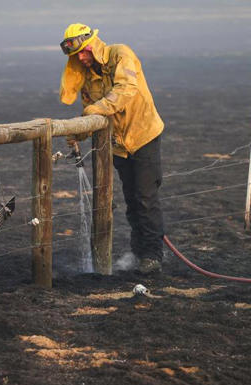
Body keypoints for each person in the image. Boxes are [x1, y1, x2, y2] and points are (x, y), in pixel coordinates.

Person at [59, 23, 165, 274]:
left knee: (146, 198)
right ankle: (138, 253)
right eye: (77, 55)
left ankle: (152, 256)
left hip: (143, 136)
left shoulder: (120, 54)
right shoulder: (86, 78)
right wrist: (77, 132)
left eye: (84, 51)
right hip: (118, 145)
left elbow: (127, 89)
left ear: (94, 44)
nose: (82, 58)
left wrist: (94, 111)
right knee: (131, 200)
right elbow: (91, 113)